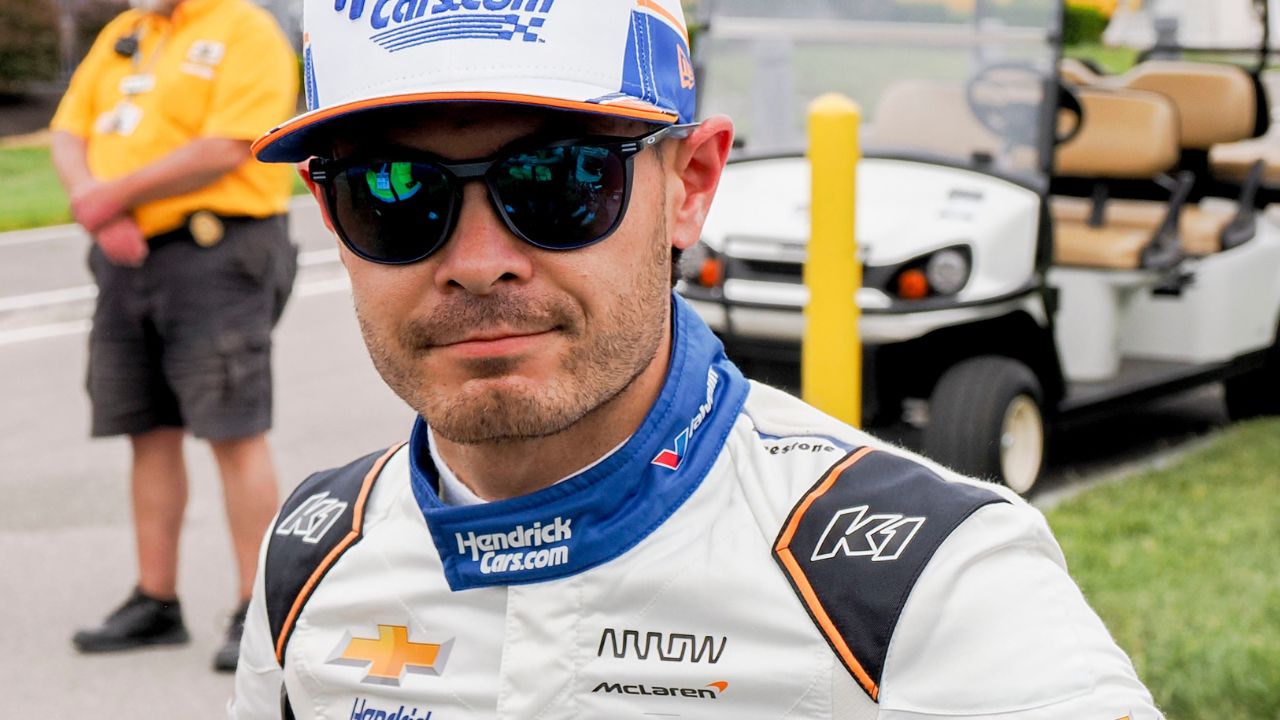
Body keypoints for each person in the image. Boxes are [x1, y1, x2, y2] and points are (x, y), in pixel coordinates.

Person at [230, 0, 1164, 717]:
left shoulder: (923, 580)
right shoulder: (309, 558)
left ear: (692, 185)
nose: (478, 265)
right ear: (327, 214)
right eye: (393, 193)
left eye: (560, 180)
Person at [50, 0, 298, 672]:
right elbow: (69, 132)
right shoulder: (125, 34)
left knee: (231, 426)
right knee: (146, 428)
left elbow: (228, 143)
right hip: (126, 254)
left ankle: (258, 610)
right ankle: (156, 600)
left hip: (217, 250)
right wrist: (94, 207)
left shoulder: (242, 27)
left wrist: (115, 194)